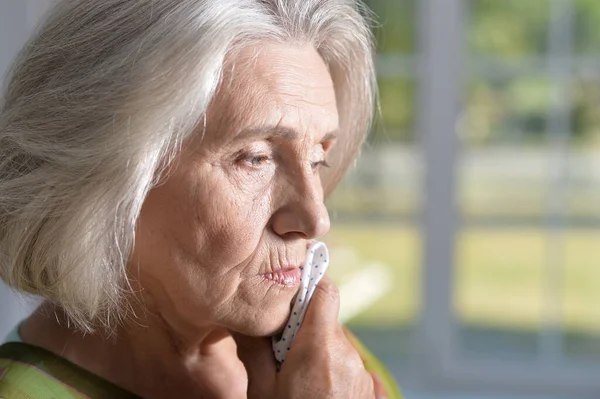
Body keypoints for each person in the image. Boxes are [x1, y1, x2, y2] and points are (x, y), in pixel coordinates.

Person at [0, 0, 402, 397]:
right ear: (106, 176)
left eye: (318, 159)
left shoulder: (323, 363)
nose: (316, 218)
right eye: (255, 158)